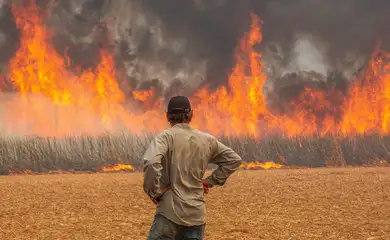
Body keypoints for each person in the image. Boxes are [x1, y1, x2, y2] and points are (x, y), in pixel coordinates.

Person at [143, 95, 242, 240]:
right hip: (196, 215)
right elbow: (234, 160)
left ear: (167, 116)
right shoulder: (206, 140)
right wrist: (209, 181)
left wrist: (154, 192)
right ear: (191, 114)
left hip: (168, 213)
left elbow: (151, 162)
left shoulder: (164, 138)